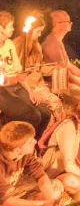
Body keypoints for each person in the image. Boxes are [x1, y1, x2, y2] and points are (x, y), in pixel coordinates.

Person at [0, 121, 63, 206]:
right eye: (30, 141)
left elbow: (41, 176)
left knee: (56, 185)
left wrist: (51, 201)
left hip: (12, 193)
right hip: (3, 201)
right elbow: (5, 201)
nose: (35, 141)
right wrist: (43, 205)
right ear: (17, 150)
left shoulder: (25, 153)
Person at [0, 11, 51, 140]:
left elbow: (18, 72)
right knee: (32, 115)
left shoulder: (9, 44)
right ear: (1, 28)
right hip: (3, 90)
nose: (13, 28)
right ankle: (21, 146)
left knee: (45, 113)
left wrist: (30, 91)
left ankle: (34, 147)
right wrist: (16, 78)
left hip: (16, 86)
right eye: (10, 26)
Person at [13, 14, 64, 122]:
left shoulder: (37, 46)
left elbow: (40, 68)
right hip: (27, 87)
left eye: (41, 31)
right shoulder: (17, 45)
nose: (40, 34)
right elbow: (15, 72)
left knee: (55, 104)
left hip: (40, 85)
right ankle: (56, 129)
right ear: (30, 30)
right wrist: (25, 71)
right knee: (54, 101)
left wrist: (53, 68)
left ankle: (58, 129)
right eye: (38, 31)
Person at [42, 11, 80, 100]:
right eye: (67, 20)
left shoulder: (58, 40)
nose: (71, 23)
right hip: (59, 85)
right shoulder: (51, 44)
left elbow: (69, 65)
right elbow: (63, 73)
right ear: (58, 24)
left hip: (67, 80)